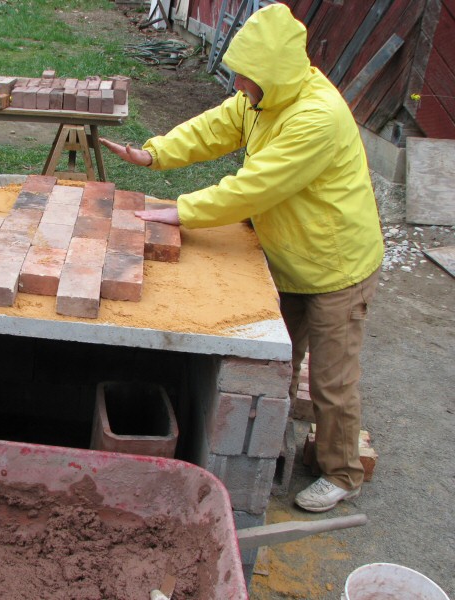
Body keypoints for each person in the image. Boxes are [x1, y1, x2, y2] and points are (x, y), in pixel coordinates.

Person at [101, 3, 383, 513]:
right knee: (279, 362)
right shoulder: (261, 100)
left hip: (336, 267)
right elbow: (214, 128)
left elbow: (253, 189)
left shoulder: (315, 117)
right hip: (289, 257)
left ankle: (342, 473)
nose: (237, 87)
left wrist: (181, 211)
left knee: (331, 381)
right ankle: (270, 448)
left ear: (273, 74)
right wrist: (155, 153)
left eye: (245, 78)